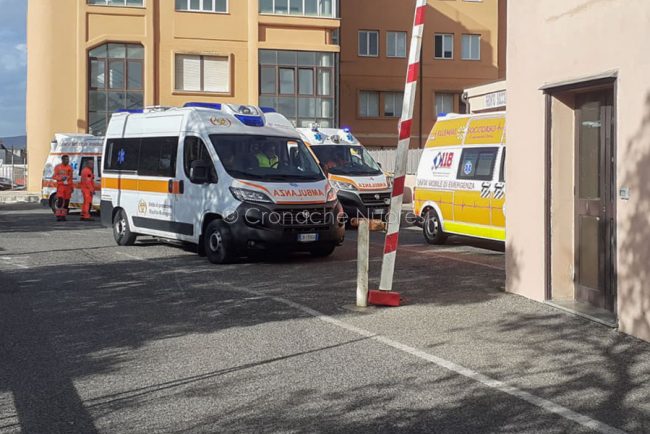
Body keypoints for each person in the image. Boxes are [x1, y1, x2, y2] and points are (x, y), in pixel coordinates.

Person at [52, 155, 74, 221]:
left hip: (68, 187)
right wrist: (61, 178)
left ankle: (63, 215)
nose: (67, 161)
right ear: (62, 160)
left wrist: (72, 187)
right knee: (60, 201)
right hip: (61, 186)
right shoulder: (58, 167)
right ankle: (59, 216)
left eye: (68, 159)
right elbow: (54, 176)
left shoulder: (70, 167)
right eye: (66, 159)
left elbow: (71, 178)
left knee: (67, 202)